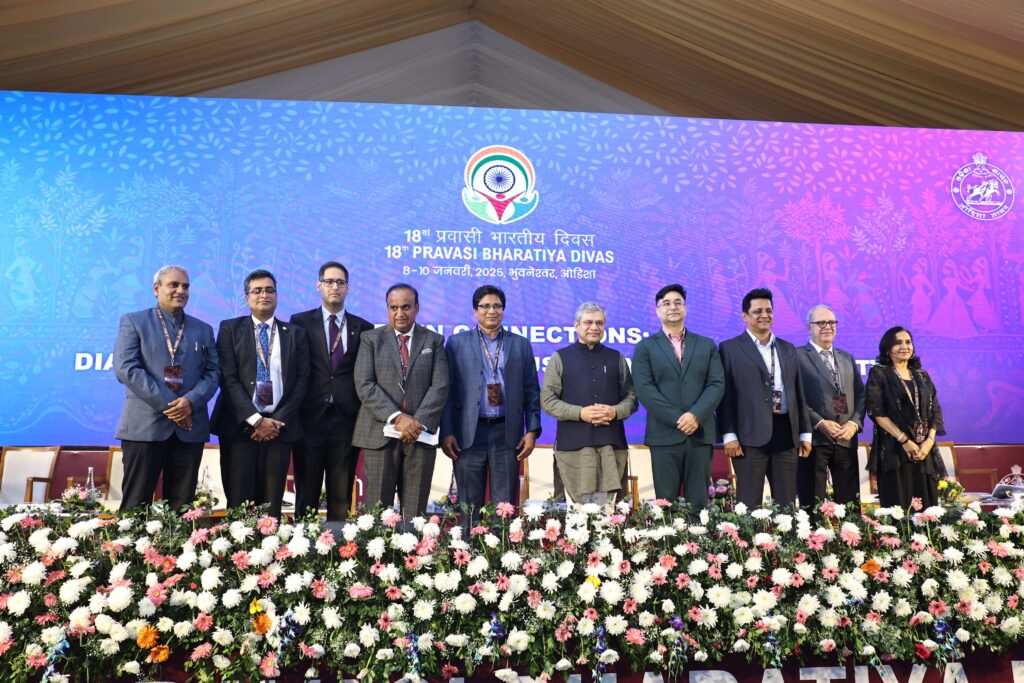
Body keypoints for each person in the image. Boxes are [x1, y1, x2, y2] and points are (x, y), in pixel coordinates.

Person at [113, 265, 219, 510]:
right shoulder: (134, 321)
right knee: (135, 508)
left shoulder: (203, 329)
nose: (181, 291)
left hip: (190, 428)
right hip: (145, 427)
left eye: (185, 286)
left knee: (182, 509)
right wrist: (173, 407)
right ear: (156, 288)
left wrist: (190, 402)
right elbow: (126, 369)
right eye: (174, 285)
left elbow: (213, 372)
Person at [211, 270, 309, 519]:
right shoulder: (230, 329)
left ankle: (270, 544)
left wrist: (276, 421)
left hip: (279, 429)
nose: (264, 295)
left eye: (269, 290)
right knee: (240, 503)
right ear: (247, 297)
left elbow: (301, 381)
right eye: (257, 290)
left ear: (276, 295)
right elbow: (228, 379)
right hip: (239, 428)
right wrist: (255, 420)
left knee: (271, 506)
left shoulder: (295, 333)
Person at [441, 285, 541, 519]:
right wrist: (446, 432)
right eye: (485, 306)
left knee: (504, 508)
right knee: (468, 507)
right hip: (468, 434)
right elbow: (446, 391)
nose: (491, 311)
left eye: (497, 306)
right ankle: (468, 542)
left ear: (503, 310)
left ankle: (502, 544)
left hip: (507, 434)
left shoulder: (520, 344)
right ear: (475, 311)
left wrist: (532, 430)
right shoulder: (456, 343)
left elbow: (531, 390)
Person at [353, 284, 448, 520]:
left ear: (417, 307)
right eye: (393, 308)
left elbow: (440, 386)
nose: (400, 313)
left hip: (419, 436)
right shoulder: (371, 339)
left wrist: (416, 423)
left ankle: (414, 546)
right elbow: (364, 384)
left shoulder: (433, 340)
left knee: (415, 516)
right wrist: (398, 418)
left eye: (406, 307)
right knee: (377, 516)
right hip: (379, 435)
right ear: (387, 309)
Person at [289, 261, 373, 520]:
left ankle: (337, 542)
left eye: (340, 282)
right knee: (307, 493)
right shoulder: (300, 322)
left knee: (341, 495)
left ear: (348, 287)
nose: (334, 287)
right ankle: (303, 541)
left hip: (346, 420)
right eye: (329, 281)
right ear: (319, 285)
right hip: (309, 418)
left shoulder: (363, 327)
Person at [631, 284, 724, 509]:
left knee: (699, 504)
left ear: (685, 308)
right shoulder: (645, 347)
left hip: (699, 433)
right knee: (666, 506)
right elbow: (645, 389)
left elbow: (716, 384)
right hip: (664, 435)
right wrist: (679, 419)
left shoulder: (706, 345)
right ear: (657, 311)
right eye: (666, 303)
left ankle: (698, 533)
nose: (672, 307)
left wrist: (695, 415)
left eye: (677, 302)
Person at [718, 288, 812, 508]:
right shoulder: (730, 348)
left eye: (769, 310)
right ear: (745, 316)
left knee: (787, 505)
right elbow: (725, 396)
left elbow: (798, 392)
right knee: (749, 503)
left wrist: (805, 432)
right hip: (748, 436)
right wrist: (729, 434)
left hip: (786, 433)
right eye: (757, 311)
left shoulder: (787, 348)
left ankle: (787, 533)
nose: (764, 315)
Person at [540, 302, 637, 505]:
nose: (594, 327)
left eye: (599, 323)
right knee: (579, 513)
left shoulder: (616, 358)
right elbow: (547, 400)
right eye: (588, 322)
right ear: (576, 325)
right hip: (573, 448)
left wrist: (615, 411)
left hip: (611, 446)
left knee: (609, 511)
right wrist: (580, 413)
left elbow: (631, 398)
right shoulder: (560, 358)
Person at [865, 326, 946, 508]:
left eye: (908, 342)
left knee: (927, 512)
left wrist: (929, 441)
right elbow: (876, 412)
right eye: (898, 343)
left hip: (924, 451)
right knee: (898, 511)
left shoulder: (922, 375)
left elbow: (935, 410)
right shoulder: (879, 373)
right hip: (894, 450)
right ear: (888, 348)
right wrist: (904, 440)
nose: (904, 346)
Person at [795, 305, 865, 511]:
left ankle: (851, 532)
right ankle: (814, 533)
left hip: (845, 437)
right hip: (814, 440)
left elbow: (861, 395)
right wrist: (818, 422)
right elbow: (794, 396)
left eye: (832, 322)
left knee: (850, 505)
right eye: (821, 323)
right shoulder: (797, 356)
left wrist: (854, 423)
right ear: (809, 327)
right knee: (812, 504)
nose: (827, 327)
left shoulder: (847, 357)